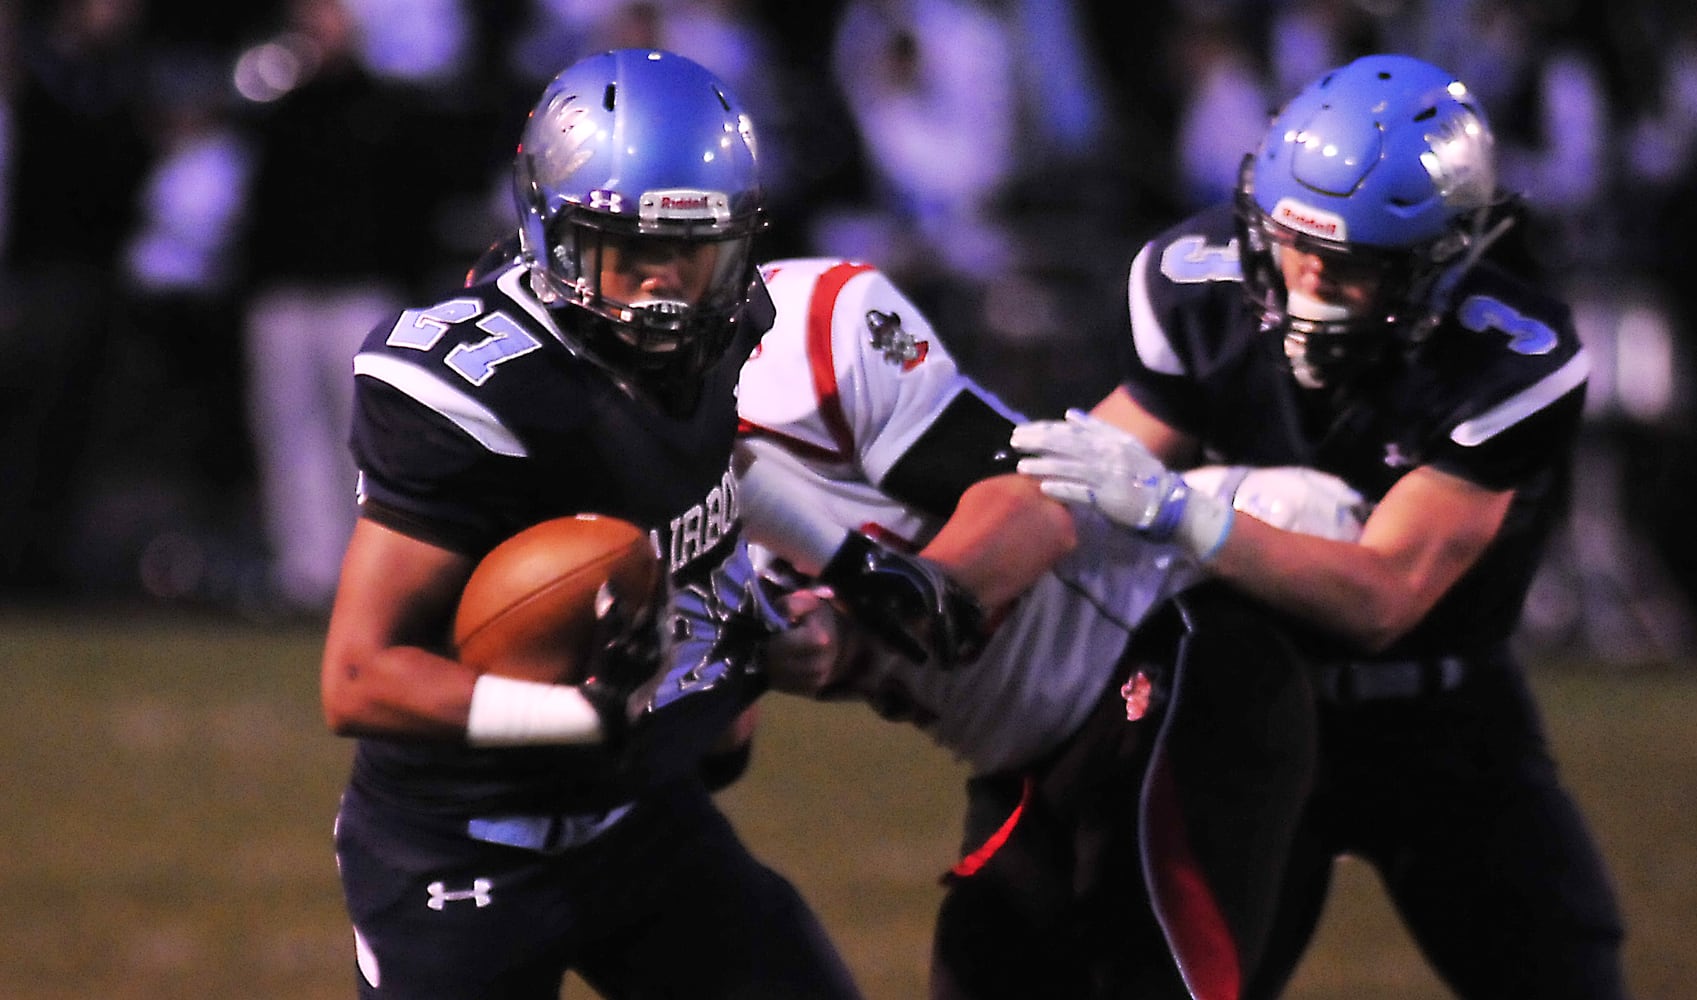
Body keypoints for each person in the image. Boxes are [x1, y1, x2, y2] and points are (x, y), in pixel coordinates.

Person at [1012, 54, 1627, 999]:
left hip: (1442, 722)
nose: (1302, 278)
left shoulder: (1510, 354)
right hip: (1248, 703)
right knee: (1169, 980)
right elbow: (1064, 487)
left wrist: (1184, 513)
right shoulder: (1196, 282)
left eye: (1344, 265)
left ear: (1440, 260)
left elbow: (1379, 596)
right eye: (1288, 243)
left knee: (1565, 975)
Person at [318, 49, 861, 999]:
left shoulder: (721, 326)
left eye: (694, 255)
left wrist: (815, 591)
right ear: (552, 230)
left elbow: (705, 474)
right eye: (636, 253)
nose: (665, 288)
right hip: (464, 841)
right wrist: (574, 713)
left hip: (633, 814)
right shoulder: (481, 388)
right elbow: (359, 678)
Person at [733, 257, 1370, 999]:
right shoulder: (618, 473)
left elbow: (1030, 510)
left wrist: (878, 615)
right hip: (1022, 756)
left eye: (686, 252)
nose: (659, 291)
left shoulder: (806, 336)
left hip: (1163, 657)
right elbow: (719, 746)